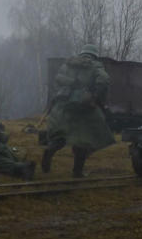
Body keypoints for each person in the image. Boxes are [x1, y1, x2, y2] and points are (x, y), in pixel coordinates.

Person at [42, 44, 116, 177]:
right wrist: (96, 96)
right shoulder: (95, 65)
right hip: (84, 107)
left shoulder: (68, 64)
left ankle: (50, 149)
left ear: (82, 53)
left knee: (62, 134)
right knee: (84, 138)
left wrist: (69, 86)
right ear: (94, 55)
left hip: (64, 104)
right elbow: (104, 80)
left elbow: (57, 80)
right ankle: (77, 171)